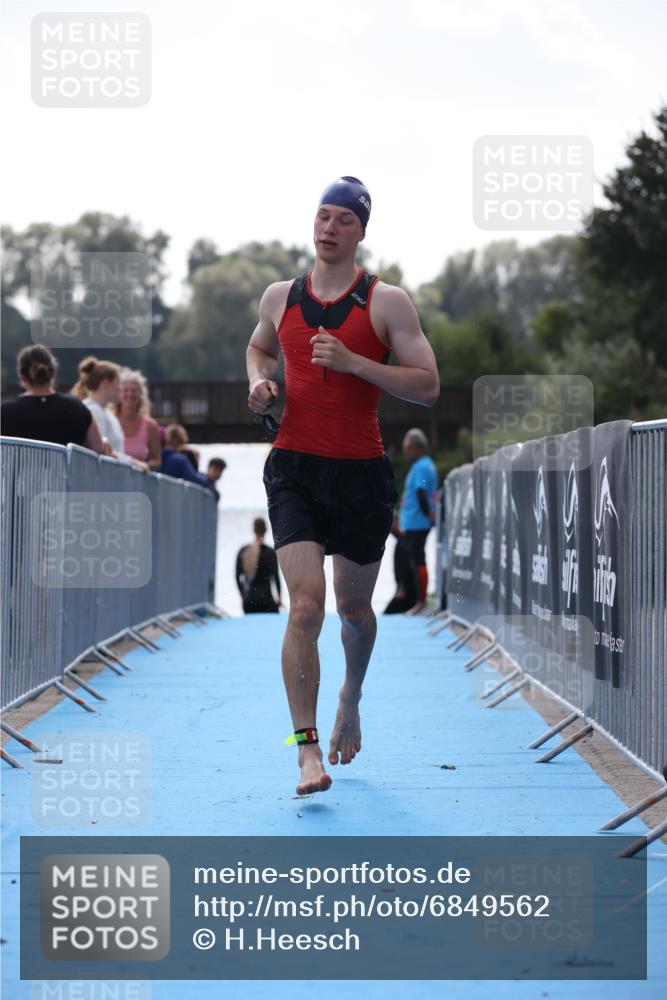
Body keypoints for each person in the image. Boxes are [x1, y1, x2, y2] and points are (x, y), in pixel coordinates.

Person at [246, 175, 440, 796]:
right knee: (305, 607)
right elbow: (258, 350)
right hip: (294, 467)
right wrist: (261, 384)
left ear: (361, 231)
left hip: (360, 472)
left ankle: (350, 697)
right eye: (322, 216)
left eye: (343, 220)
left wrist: (356, 364)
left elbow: (428, 384)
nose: (329, 228)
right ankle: (305, 752)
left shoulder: (386, 303)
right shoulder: (280, 297)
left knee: (354, 610)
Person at [1, 344, 105, 453]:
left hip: (18, 470)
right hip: (68, 471)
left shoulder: (4, 411)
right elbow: (98, 448)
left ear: (21, 375)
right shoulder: (77, 408)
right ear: (54, 371)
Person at [70, 356, 148, 470]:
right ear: (106, 383)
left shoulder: (107, 413)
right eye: (118, 383)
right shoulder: (93, 411)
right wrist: (133, 462)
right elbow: (101, 452)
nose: (120, 388)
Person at [399, 428, 439, 614]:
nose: (406, 452)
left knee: (418, 560)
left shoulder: (423, 466)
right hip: (414, 521)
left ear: (418, 448)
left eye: (408, 448)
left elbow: (421, 492)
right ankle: (419, 600)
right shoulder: (421, 465)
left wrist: (428, 514)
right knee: (414, 560)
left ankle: (421, 601)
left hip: (418, 522)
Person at [114, 368, 161, 469]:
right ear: (118, 393)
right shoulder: (110, 419)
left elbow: (157, 461)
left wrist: (143, 467)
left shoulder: (150, 425)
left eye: (134, 390)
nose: (130, 394)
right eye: (125, 390)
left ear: (141, 394)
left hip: (137, 481)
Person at [235, 517, 281, 613]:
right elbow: (276, 577)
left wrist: (243, 596)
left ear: (254, 530)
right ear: (266, 530)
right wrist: (279, 598)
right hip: (267, 601)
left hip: (249, 601)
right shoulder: (270, 552)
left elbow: (237, 576)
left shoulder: (243, 551)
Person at [383, 513, 418, 614]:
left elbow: (404, 567)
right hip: (406, 587)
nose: (389, 528)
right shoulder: (404, 541)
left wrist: (401, 587)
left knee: (387, 615)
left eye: (391, 523)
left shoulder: (404, 543)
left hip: (407, 590)